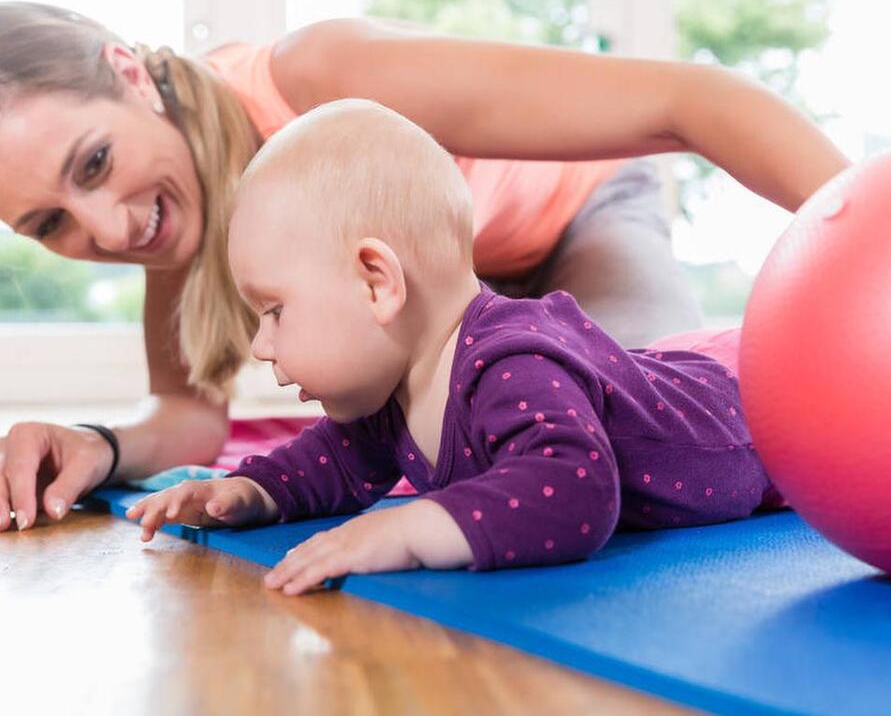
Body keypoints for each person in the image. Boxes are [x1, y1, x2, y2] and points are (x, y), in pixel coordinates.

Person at [0, 2, 845, 535]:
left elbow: (693, 98)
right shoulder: (167, 225)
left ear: (129, 71)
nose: (109, 231)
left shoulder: (320, 73)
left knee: (625, 428)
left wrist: (877, 225)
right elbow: (192, 420)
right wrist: (98, 446)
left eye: (94, 165)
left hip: (573, 216)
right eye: (50, 225)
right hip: (451, 303)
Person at [126, 100, 779, 594]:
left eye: (273, 311)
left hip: (764, 409)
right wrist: (244, 494)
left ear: (376, 282)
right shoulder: (397, 387)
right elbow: (330, 463)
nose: (263, 346)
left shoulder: (511, 360)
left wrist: (410, 530)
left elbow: (575, 487)